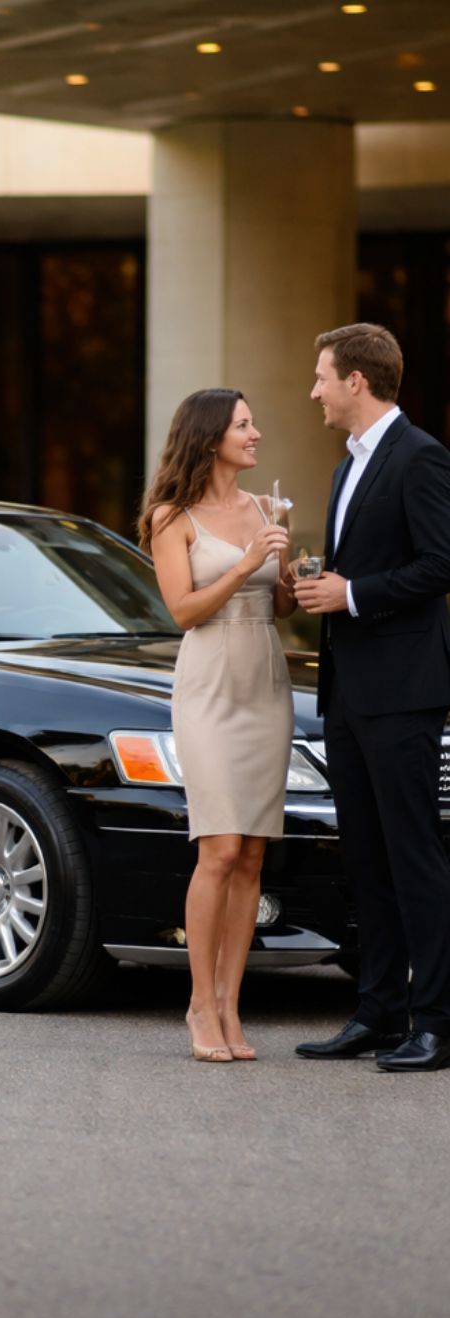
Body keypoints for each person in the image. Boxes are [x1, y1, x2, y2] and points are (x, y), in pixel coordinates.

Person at [294, 323, 450, 1072]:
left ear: (357, 380)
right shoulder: (343, 468)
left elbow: (441, 565)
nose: (314, 390)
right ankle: (379, 1014)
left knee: (415, 857)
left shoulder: (421, 457)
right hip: (348, 695)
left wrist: (352, 593)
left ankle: (437, 1023)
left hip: (405, 693)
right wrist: (323, 588)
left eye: (322, 376)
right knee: (366, 859)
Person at [139, 389, 294, 1062]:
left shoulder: (264, 508)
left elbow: (280, 602)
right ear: (209, 438)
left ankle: (232, 1008)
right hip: (207, 688)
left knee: (254, 852)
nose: (256, 434)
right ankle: (200, 1004)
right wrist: (245, 559)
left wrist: (291, 572)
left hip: (265, 682)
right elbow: (183, 610)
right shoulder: (170, 517)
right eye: (243, 425)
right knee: (219, 849)